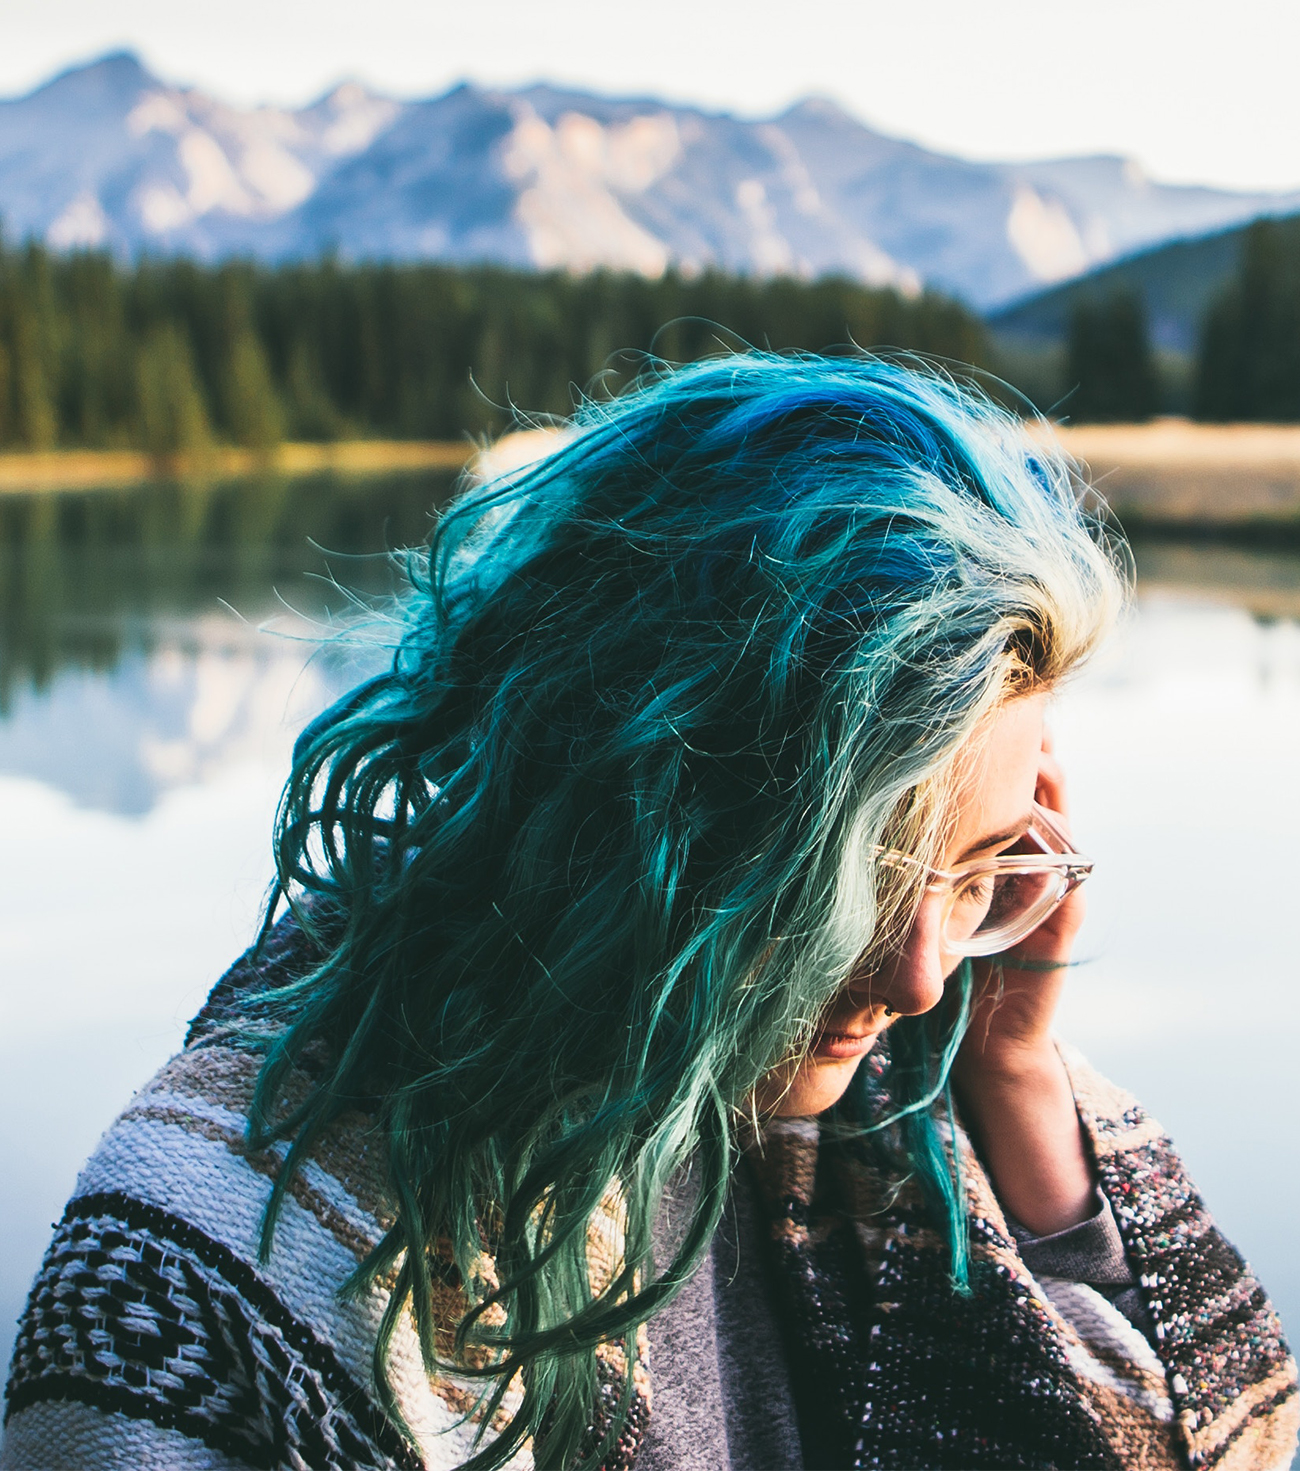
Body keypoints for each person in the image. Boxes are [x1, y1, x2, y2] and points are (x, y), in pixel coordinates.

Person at [3, 354, 1295, 1471]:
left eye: (978, 869)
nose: (919, 975)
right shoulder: (222, 1254)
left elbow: (1208, 1443)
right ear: (651, 808)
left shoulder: (886, 1101)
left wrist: (1014, 1068)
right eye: (856, 877)